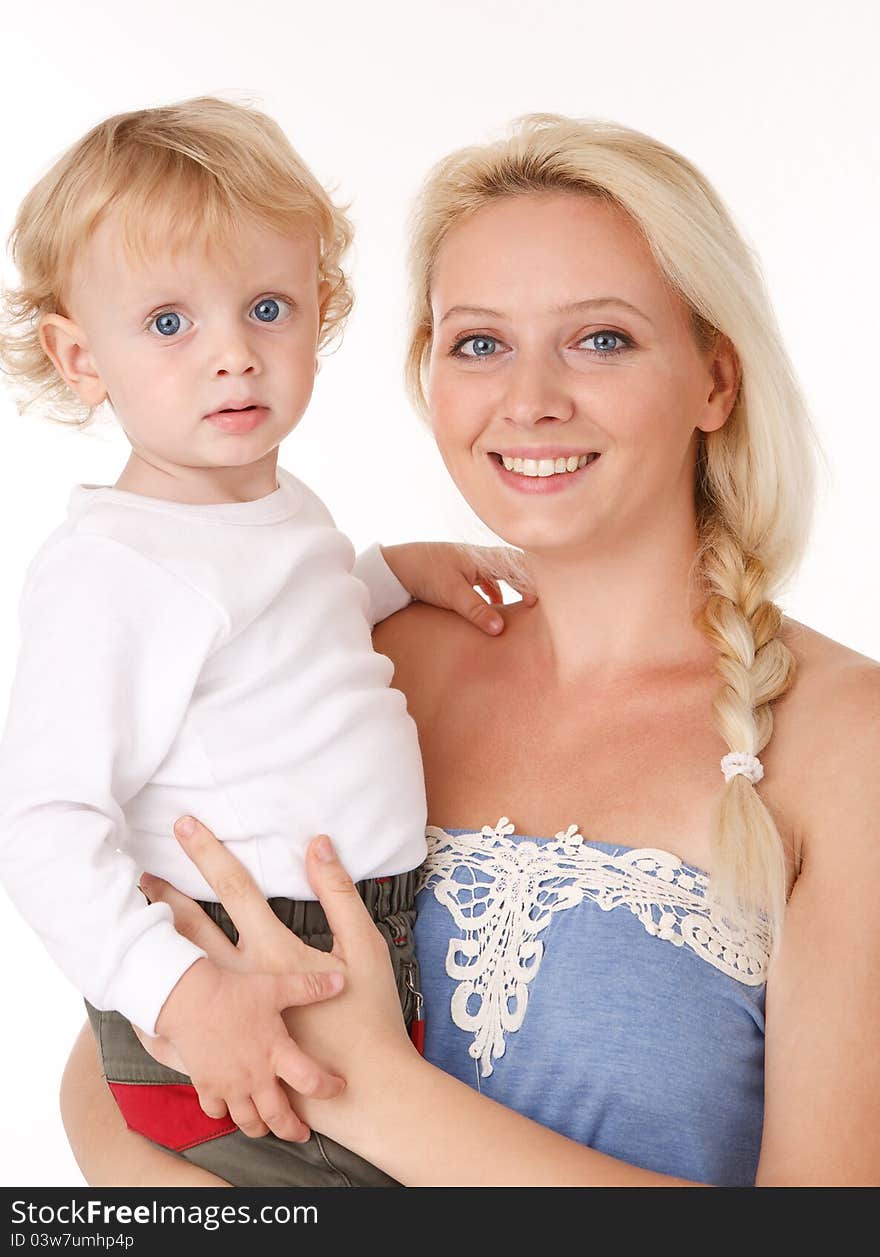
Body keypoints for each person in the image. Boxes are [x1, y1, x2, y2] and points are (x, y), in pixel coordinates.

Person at [60, 114, 879, 1187]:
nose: (529, 400)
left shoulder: (844, 746)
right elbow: (108, 1084)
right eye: (480, 344)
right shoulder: (369, 656)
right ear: (430, 375)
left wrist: (381, 1093)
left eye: (601, 338)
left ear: (715, 381)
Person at [0, 97, 532, 1190]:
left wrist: (392, 572)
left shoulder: (273, 511)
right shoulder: (114, 568)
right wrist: (176, 993)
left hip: (357, 944)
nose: (233, 356)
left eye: (268, 307)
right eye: (166, 323)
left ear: (321, 308)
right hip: (236, 976)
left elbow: (285, 626)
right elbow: (43, 823)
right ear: (78, 355)